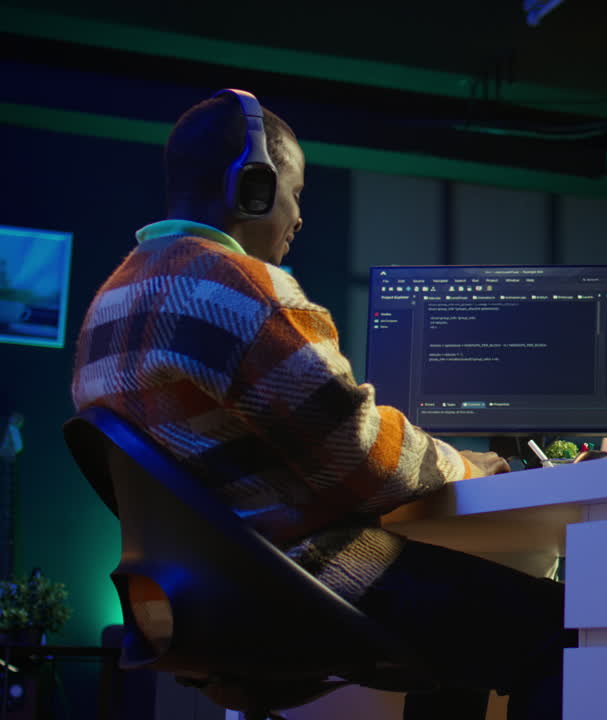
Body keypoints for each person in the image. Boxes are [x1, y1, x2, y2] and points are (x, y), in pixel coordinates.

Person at [70, 90, 569, 719]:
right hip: (298, 580)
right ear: (252, 185)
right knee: (560, 628)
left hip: (194, 597)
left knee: (467, 628)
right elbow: (359, 455)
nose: (299, 217)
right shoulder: (241, 290)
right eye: (295, 193)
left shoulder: (107, 305)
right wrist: (468, 466)